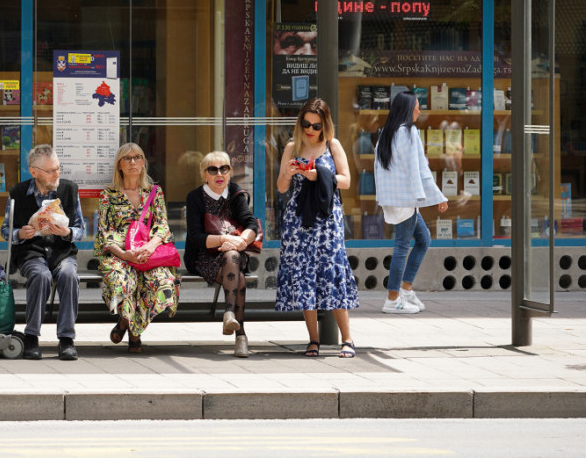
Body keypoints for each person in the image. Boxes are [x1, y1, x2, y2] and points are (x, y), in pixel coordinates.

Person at [275, 98, 359, 358]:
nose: (310, 129)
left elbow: (345, 180)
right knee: (304, 276)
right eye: (306, 123)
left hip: (327, 220)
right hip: (298, 219)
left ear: (325, 126)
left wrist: (319, 175)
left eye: (316, 125)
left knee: (331, 272)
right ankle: (313, 339)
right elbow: (281, 187)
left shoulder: (332, 145)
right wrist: (289, 173)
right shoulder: (292, 147)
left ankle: (347, 339)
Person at [1, 144, 84, 360]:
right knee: (40, 275)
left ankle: (66, 340)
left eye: (58, 168)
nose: (57, 174)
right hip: (32, 252)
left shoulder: (69, 189)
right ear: (34, 171)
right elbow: (5, 230)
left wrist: (67, 232)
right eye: (51, 170)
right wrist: (20, 234)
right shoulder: (17, 193)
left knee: (68, 274)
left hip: (62, 252)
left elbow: (80, 229)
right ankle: (31, 337)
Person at [94, 143, 179, 353]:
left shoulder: (154, 192)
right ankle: (135, 335)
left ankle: (126, 324)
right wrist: (124, 254)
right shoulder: (108, 195)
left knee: (161, 283)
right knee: (124, 281)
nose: (133, 162)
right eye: (128, 158)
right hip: (120, 253)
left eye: (138, 157)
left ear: (143, 163)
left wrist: (150, 247)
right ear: (119, 165)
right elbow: (104, 231)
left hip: (148, 253)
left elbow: (162, 225)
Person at [374, 90, 448, 314]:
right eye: (417, 105)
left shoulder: (387, 133)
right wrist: (438, 196)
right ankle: (392, 299)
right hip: (405, 199)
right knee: (402, 247)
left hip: (397, 199)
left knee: (423, 239)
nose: (419, 109)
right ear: (407, 109)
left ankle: (405, 289)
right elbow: (419, 169)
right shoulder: (408, 132)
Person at [185, 151, 258, 358]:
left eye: (224, 168)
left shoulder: (235, 193)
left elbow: (251, 223)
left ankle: (228, 313)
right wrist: (225, 240)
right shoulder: (195, 197)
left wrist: (241, 240)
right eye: (213, 169)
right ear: (204, 174)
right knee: (239, 279)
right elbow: (195, 236)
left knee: (232, 256)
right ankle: (241, 337)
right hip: (203, 256)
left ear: (230, 172)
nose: (219, 173)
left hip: (232, 256)